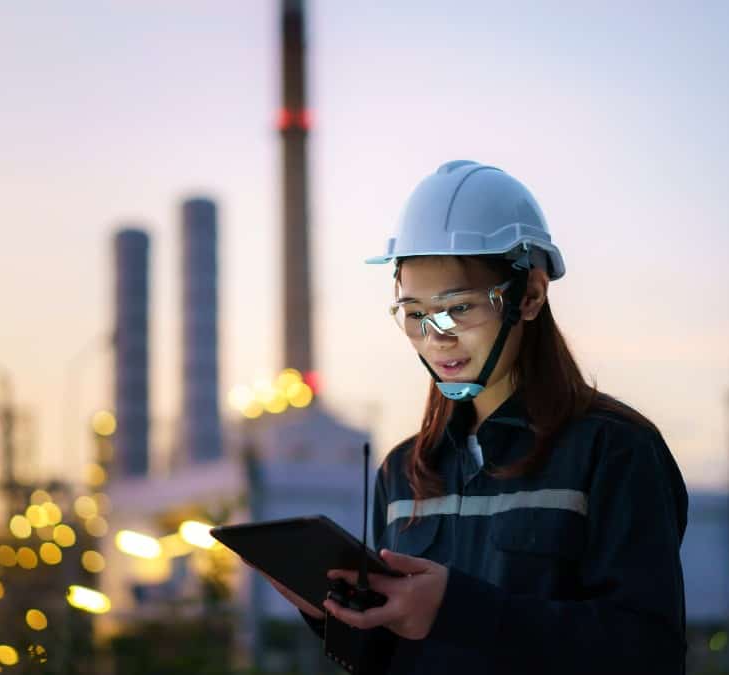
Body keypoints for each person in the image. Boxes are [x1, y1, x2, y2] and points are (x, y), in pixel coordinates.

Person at [257, 160, 689, 673]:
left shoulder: (614, 451)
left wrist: (456, 609)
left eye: (458, 308)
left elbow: (648, 652)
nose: (436, 337)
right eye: (415, 314)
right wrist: (331, 614)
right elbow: (393, 659)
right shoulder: (403, 474)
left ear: (529, 295)